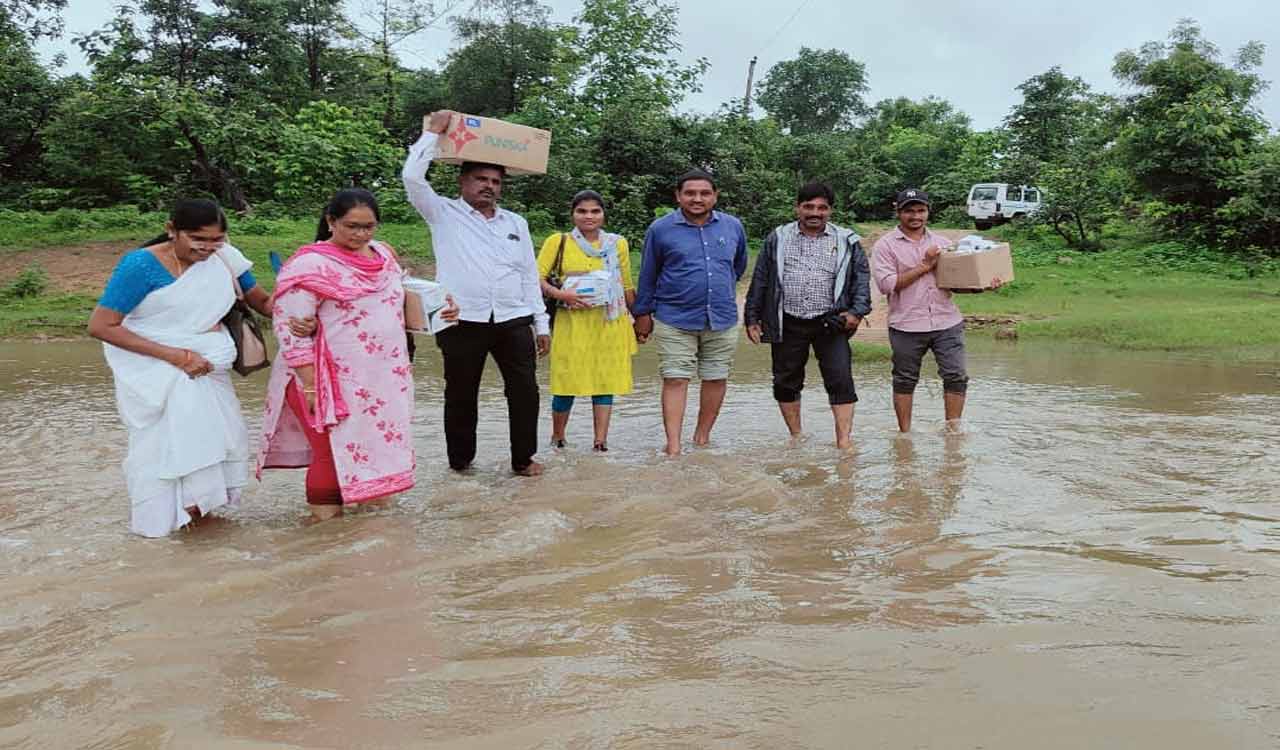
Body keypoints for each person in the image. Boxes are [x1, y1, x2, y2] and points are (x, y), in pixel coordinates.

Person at [256, 189, 457, 520]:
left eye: (368, 226)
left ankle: (369, 533)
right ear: (331, 221)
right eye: (352, 226)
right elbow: (289, 331)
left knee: (377, 451)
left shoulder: (384, 256)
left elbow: (399, 305)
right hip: (325, 379)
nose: (361, 234)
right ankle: (326, 533)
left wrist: (442, 310)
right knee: (329, 455)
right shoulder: (309, 266)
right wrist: (310, 385)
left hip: (381, 379)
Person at [89, 199, 260, 537]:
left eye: (217, 240)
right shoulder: (141, 265)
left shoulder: (226, 259)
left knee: (215, 448)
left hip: (209, 372)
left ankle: (201, 529)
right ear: (172, 230)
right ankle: (162, 526)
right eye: (198, 239)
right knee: (165, 450)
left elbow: (264, 301)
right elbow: (101, 325)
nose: (207, 248)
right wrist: (177, 357)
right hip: (160, 374)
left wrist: (303, 310)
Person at [402, 109, 550, 476]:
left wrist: (541, 324)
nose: (489, 186)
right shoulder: (442, 213)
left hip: (513, 319)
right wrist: (432, 134)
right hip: (461, 319)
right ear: (463, 181)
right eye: (481, 179)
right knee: (460, 393)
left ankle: (523, 459)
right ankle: (461, 462)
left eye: (496, 181)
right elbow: (412, 178)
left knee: (525, 392)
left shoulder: (516, 223)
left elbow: (528, 274)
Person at [744, 182, 871, 449]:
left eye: (822, 208)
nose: (815, 212)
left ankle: (844, 442)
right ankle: (796, 436)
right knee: (785, 382)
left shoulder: (846, 240)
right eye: (808, 206)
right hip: (787, 320)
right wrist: (752, 317)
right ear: (797, 208)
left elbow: (861, 278)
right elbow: (761, 278)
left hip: (831, 321)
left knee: (840, 379)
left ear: (830, 210)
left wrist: (857, 312)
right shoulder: (778, 237)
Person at [633, 169, 748, 456]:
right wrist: (642, 314)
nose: (697, 199)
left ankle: (702, 438)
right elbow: (648, 274)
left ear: (715, 196)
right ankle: (673, 446)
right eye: (690, 193)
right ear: (678, 196)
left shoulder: (733, 226)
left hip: (722, 316)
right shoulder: (660, 229)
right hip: (674, 318)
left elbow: (738, 266)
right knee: (675, 378)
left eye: (705, 193)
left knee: (716, 377)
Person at [872, 188, 1002, 432]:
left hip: (947, 322)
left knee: (956, 376)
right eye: (909, 211)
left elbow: (955, 283)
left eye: (920, 210)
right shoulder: (885, 246)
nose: (915, 216)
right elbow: (887, 285)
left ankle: (953, 432)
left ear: (928, 212)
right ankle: (904, 435)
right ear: (898, 212)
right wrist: (925, 265)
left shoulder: (943, 243)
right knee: (904, 380)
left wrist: (982, 286)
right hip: (906, 325)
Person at [537, 190, 637, 452]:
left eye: (595, 211)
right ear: (573, 214)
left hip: (609, 322)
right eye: (582, 211)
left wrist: (641, 318)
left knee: (605, 381)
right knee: (566, 381)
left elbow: (626, 284)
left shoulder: (617, 244)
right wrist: (563, 295)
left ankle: (600, 441)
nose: (588, 216)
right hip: (572, 323)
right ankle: (558, 437)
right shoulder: (558, 242)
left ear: (603, 214)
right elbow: (537, 278)